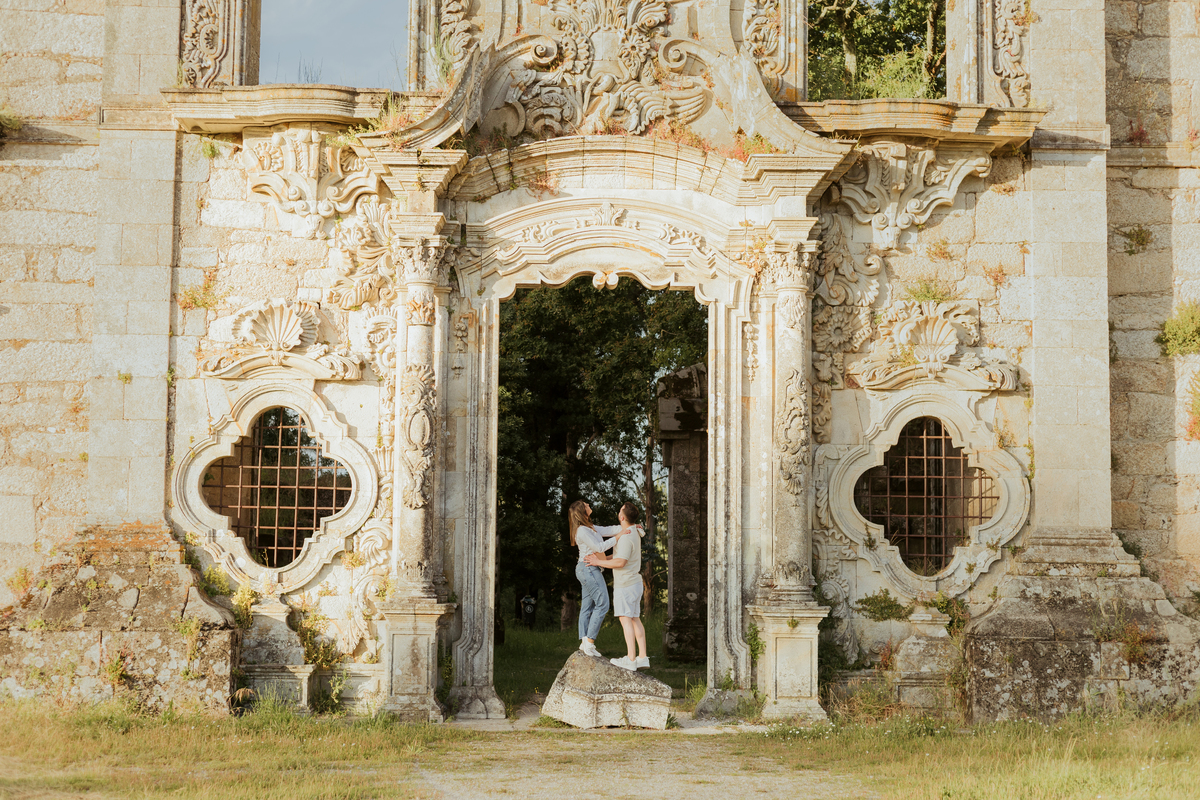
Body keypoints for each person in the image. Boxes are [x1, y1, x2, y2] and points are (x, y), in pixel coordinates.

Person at [585, 501, 648, 671]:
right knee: (634, 619)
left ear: (622, 517)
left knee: (625, 619)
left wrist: (598, 561)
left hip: (626, 585)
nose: (618, 512)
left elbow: (621, 561)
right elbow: (619, 554)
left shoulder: (627, 536)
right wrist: (603, 559)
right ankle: (643, 657)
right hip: (633, 583)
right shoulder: (634, 530)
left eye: (620, 510)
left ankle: (631, 659)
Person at [568, 499, 622, 658]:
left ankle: (584, 642)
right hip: (588, 569)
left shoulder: (590, 528)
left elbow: (609, 529)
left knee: (587, 606)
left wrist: (628, 527)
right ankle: (589, 643)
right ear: (582, 510)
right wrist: (619, 537)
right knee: (603, 603)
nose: (589, 505)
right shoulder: (582, 531)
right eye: (586, 505)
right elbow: (599, 548)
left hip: (586, 569)